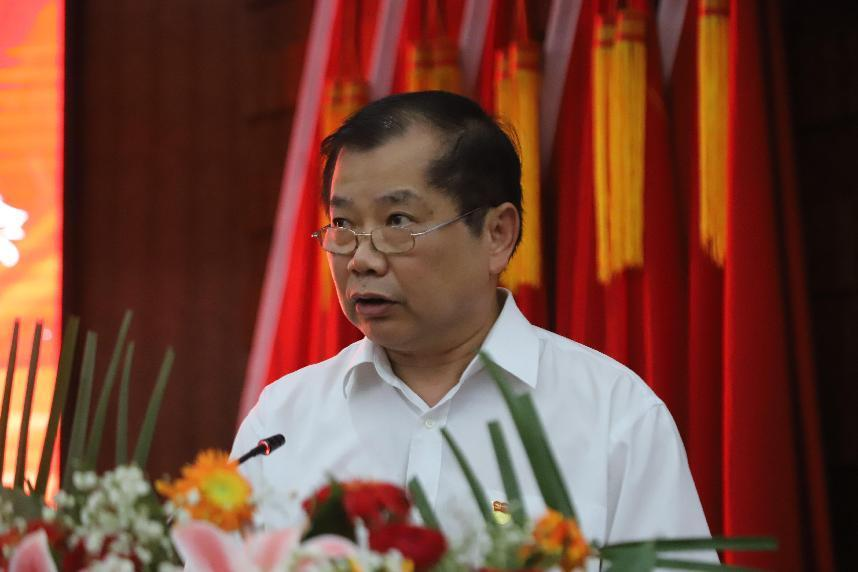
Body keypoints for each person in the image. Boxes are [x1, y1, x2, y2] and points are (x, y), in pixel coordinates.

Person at [232, 91, 713, 563]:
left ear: (497, 234)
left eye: (397, 221)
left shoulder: (614, 416)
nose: (361, 259)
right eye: (342, 224)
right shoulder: (282, 423)